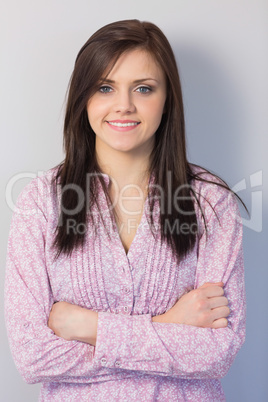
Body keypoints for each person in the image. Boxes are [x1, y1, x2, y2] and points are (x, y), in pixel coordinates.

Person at [5, 19, 246, 401]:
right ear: (84, 97)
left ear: (167, 99)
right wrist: (167, 325)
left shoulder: (210, 203)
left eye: (144, 88)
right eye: (105, 87)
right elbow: (33, 356)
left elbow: (217, 353)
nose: (124, 105)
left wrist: (89, 326)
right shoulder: (40, 201)